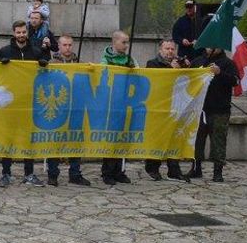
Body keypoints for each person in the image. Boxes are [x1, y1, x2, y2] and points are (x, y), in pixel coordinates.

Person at [0, 20, 47, 187]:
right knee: (8, 138)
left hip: (29, 102)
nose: (21, 35)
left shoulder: (35, 51)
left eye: (23, 32)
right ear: (13, 33)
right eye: (18, 32)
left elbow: (46, 68)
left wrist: (44, 60)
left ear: (27, 32)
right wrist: (1, 65)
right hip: (10, 103)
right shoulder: (4, 51)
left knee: (28, 139)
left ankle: (29, 173)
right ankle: (5, 172)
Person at [189, 45, 239, 182]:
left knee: (218, 141)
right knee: (197, 140)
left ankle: (218, 171)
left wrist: (220, 73)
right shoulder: (198, 61)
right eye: (208, 45)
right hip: (199, 109)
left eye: (213, 46)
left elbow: (235, 81)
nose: (210, 48)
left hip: (219, 110)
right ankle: (195, 167)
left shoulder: (228, 63)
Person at [45, 35, 90, 186]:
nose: (68, 48)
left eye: (70, 45)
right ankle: (53, 174)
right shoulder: (52, 63)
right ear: (59, 46)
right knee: (55, 142)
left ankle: (75, 173)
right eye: (65, 45)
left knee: (75, 141)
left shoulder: (80, 64)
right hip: (58, 107)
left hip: (75, 107)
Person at [145, 39, 189, 182]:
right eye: (167, 48)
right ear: (160, 50)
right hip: (158, 107)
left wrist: (187, 67)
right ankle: (152, 167)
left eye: (172, 49)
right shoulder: (152, 63)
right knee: (158, 138)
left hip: (175, 107)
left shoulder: (178, 63)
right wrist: (171, 69)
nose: (170, 51)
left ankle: (174, 170)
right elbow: (157, 81)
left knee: (174, 139)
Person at [100, 30, 136, 185]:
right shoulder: (105, 59)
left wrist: (132, 68)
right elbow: (103, 75)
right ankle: (107, 172)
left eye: (128, 42)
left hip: (125, 104)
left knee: (122, 139)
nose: (126, 45)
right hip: (111, 104)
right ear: (114, 42)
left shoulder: (130, 59)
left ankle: (119, 170)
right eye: (124, 42)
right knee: (111, 139)